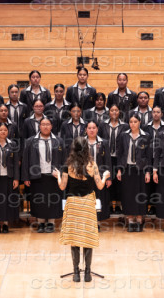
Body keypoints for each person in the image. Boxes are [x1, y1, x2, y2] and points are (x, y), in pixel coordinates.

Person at [54, 137, 110, 282]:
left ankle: (76, 273)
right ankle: (88, 273)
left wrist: (58, 176)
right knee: (87, 238)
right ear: (87, 149)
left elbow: (62, 186)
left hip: (73, 204)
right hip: (87, 204)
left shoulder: (68, 166)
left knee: (74, 239)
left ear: (73, 149)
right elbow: (100, 186)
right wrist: (105, 176)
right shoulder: (92, 164)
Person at [22, 118, 65, 233]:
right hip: (37, 176)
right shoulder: (31, 141)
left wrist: (61, 174)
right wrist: (26, 177)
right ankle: (40, 223)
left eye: (48, 124)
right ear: (39, 126)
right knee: (39, 201)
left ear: (51, 126)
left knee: (53, 201)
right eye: (43, 124)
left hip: (54, 176)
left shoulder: (59, 141)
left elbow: (64, 159)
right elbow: (25, 160)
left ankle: (51, 223)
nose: (45, 126)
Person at [116, 114, 152, 232]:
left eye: (135, 121)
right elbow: (120, 154)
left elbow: (148, 156)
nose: (133, 124)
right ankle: (131, 220)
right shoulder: (123, 135)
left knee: (141, 195)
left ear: (139, 122)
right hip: (127, 169)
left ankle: (140, 220)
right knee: (128, 195)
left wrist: (148, 172)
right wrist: (119, 169)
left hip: (140, 170)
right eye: (131, 122)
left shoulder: (146, 136)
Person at [98, 104, 128, 214]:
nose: (114, 112)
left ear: (119, 112)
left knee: (119, 182)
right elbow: (99, 140)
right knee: (107, 180)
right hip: (106, 157)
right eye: (112, 110)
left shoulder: (125, 126)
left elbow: (126, 143)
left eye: (116, 110)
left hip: (119, 158)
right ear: (109, 112)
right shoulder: (103, 124)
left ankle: (119, 205)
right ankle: (109, 205)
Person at [85, 121, 111, 223]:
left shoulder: (104, 142)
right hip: (85, 175)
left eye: (94, 128)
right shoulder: (81, 142)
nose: (91, 130)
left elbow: (107, 161)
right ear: (86, 130)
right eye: (89, 128)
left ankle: (98, 222)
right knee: (86, 198)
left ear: (97, 129)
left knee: (99, 197)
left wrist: (108, 178)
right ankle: (88, 221)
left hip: (99, 175)